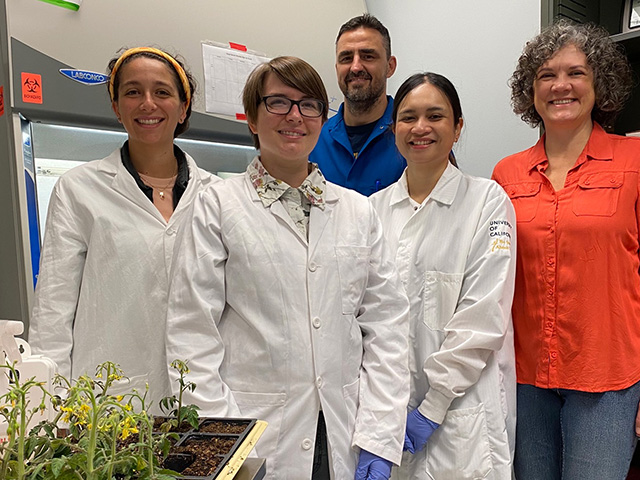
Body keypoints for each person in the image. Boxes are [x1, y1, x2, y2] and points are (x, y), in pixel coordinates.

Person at [165, 56, 410, 480]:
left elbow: (387, 327)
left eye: (308, 104)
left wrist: (379, 433)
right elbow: (191, 332)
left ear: (321, 119)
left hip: (342, 431)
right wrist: (223, 446)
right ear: (253, 119)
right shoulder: (218, 205)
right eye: (278, 102)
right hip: (256, 435)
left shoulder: (357, 210)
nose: (294, 116)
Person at [492, 20, 640, 479]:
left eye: (576, 72)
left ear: (599, 84)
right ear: (530, 90)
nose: (560, 85)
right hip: (524, 379)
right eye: (546, 75)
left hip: (608, 380)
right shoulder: (506, 175)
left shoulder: (633, 163)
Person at [29, 47, 217, 404]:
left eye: (162, 92)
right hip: (106, 401)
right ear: (117, 108)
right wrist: (47, 407)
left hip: (201, 398)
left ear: (183, 107)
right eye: (133, 92)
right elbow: (53, 310)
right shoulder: (79, 189)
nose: (148, 103)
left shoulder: (217, 197)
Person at [371, 72, 516, 479]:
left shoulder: (487, 201)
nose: (420, 128)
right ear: (393, 128)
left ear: (457, 127)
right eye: (408, 117)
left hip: (461, 415)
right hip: (389, 414)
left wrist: (431, 408)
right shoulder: (372, 211)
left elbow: (482, 317)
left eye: (435, 116)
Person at [309, 13, 405, 196]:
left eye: (368, 56)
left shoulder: (414, 135)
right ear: (337, 68)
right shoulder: (314, 140)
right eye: (346, 58)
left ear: (390, 66)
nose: (355, 67)